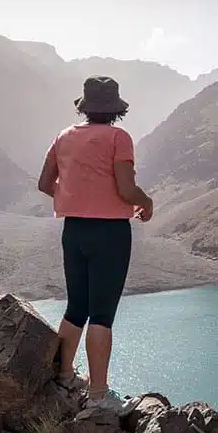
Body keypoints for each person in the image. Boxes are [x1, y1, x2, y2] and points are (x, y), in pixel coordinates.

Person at [37, 75, 154, 413]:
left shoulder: (63, 137)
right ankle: (99, 396)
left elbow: (45, 183)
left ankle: (63, 374)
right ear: (115, 109)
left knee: (76, 307)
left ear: (85, 107)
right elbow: (126, 189)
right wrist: (146, 203)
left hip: (73, 231)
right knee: (102, 315)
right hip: (110, 234)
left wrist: (74, 197)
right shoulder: (119, 138)